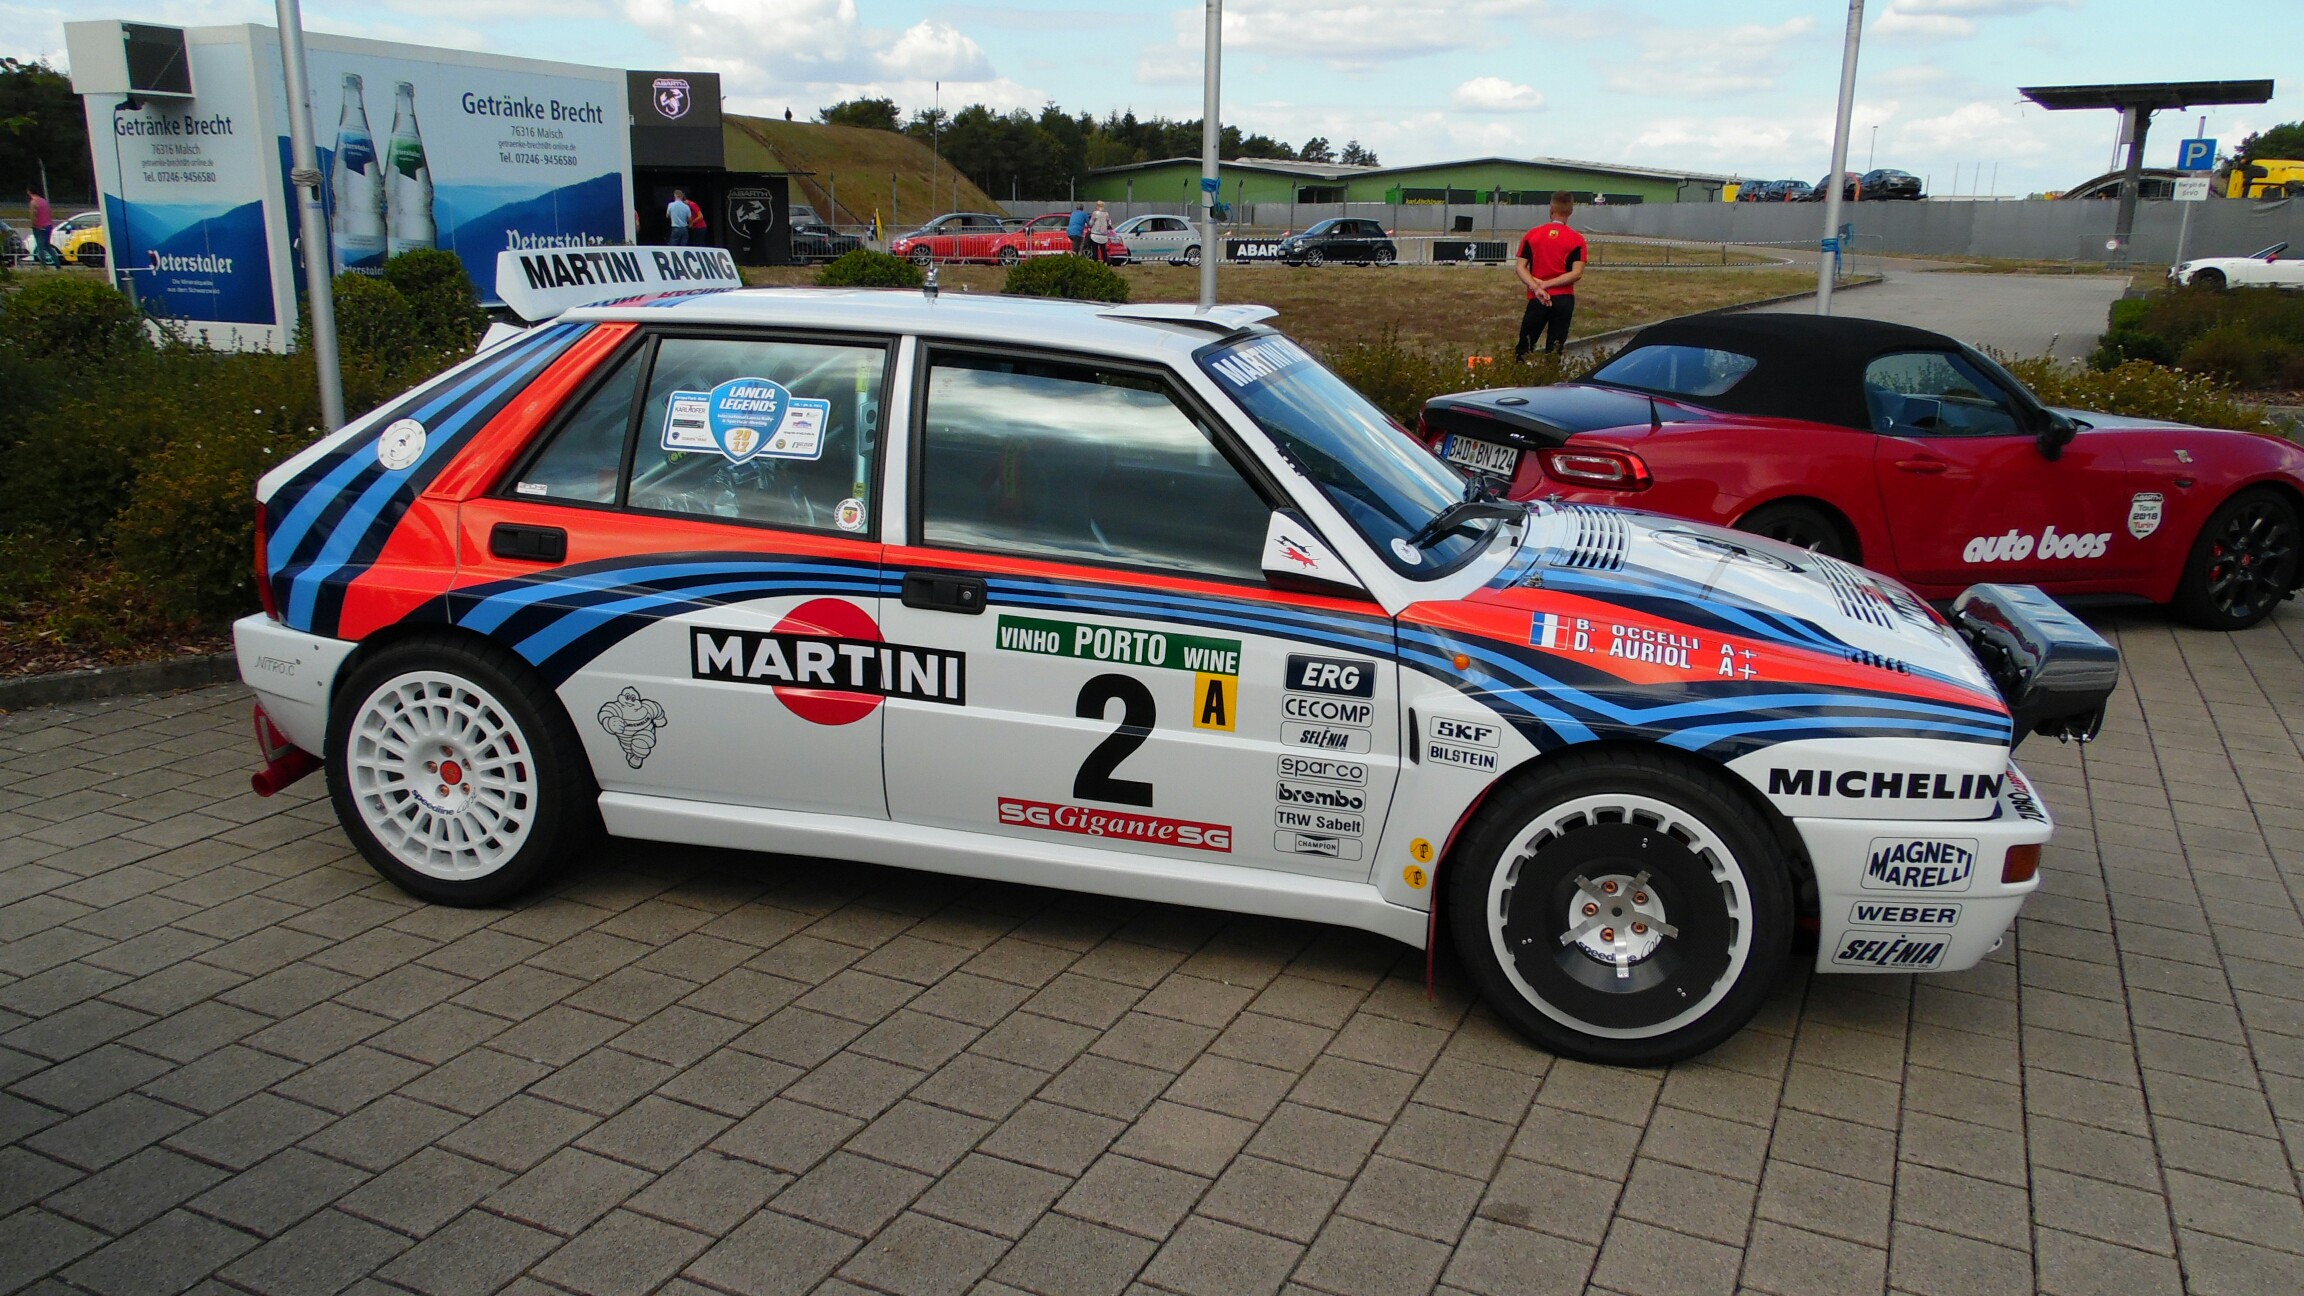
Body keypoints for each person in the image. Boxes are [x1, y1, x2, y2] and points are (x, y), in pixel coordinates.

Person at [1514, 192, 1587, 359]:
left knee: (1524, 347)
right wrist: (1549, 284)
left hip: (1537, 297)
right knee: (1554, 350)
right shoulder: (1577, 240)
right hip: (1563, 299)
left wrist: (1537, 285)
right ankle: (1550, 381)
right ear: (1571, 211)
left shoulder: (1532, 235)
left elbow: (1520, 267)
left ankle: (1519, 381)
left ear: (1551, 208)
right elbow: (1577, 273)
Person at [27, 189, 56, 267]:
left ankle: (43, 265)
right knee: (48, 246)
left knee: (40, 248)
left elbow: (33, 215)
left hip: (39, 227)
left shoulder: (33, 202)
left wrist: (33, 225)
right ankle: (57, 264)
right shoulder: (44, 201)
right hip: (48, 226)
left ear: (29, 192)